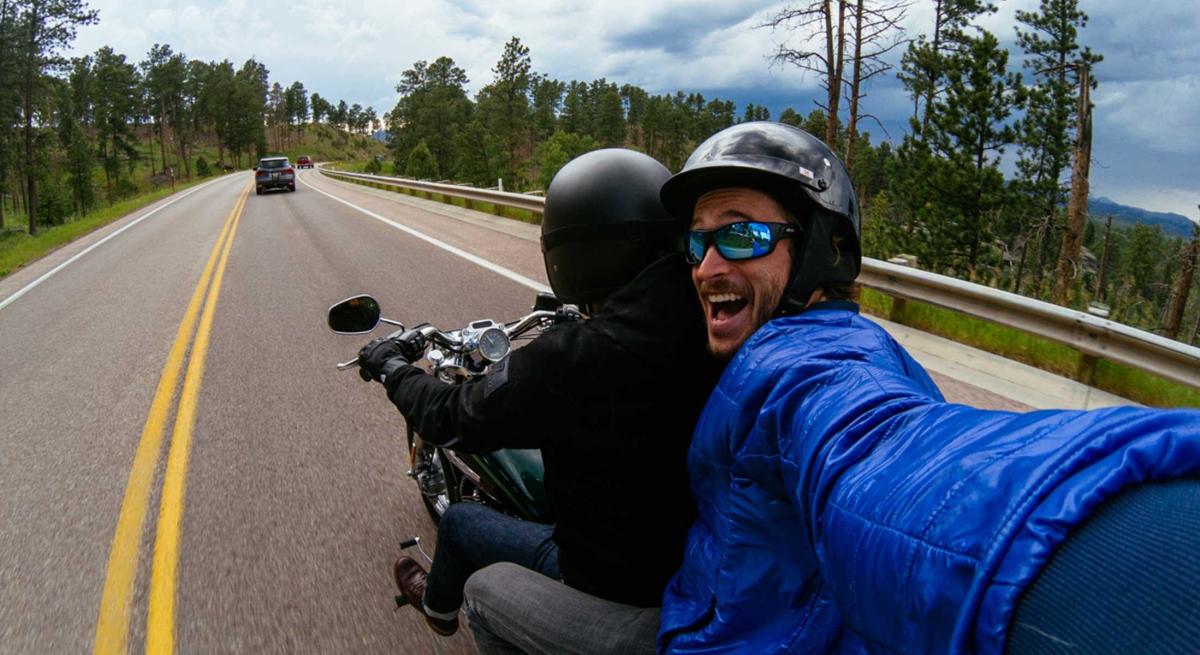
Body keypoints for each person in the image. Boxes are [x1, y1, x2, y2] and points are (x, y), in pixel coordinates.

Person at [653, 121, 1200, 654]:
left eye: (741, 235)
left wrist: (1111, 545)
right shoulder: (818, 340)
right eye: (698, 242)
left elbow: (879, 453)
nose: (707, 268)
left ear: (823, 250)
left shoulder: (809, 364)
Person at [355, 148, 722, 646]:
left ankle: (441, 608)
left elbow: (449, 417)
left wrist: (393, 368)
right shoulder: (716, 317)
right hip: (702, 572)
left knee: (464, 533)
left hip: (617, 588)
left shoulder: (574, 358)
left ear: (572, 252)